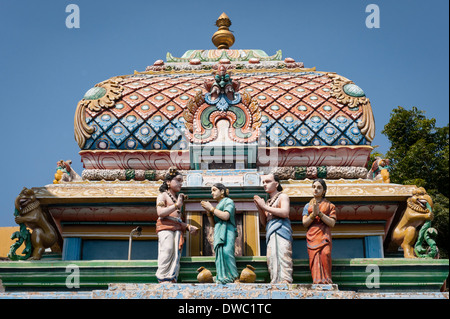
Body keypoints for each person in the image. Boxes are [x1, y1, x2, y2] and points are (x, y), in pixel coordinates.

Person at [155, 168, 199, 283]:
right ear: (168, 182)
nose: (181, 183)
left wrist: (188, 227)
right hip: (165, 227)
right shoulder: (163, 196)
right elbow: (160, 213)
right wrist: (177, 205)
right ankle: (162, 276)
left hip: (176, 228)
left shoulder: (176, 198)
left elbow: (177, 220)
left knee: (175, 253)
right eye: (178, 180)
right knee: (168, 249)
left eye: (182, 181)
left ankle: (171, 276)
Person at [254, 174, 293, 284]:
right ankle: (275, 279)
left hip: (282, 230)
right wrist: (260, 208)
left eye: (268, 181)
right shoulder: (268, 202)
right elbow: (264, 222)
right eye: (263, 183)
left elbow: (285, 212)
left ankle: (285, 279)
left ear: (276, 184)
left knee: (283, 253)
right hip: (271, 230)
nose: (265, 184)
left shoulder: (283, 196)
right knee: (272, 256)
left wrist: (264, 207)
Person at [201, 183, 239, 284]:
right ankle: (222, 276)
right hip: (219, 230)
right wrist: (209, 212)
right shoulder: (218, 205)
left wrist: (212, 209)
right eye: (211, 191)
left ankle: (234, 277)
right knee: (219, 254)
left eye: (214, 190)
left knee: (227, 252)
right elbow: (213, 224)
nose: (212, 193)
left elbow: (226, 216)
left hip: (228, 230)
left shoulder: (228, 201)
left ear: (222, 191)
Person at [302, 178, 336, 284]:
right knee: (314, 258)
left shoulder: (330, 206)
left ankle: (327, 279)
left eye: (319, 187)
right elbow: (304, 223)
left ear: (324, 191)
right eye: (314, 187)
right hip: (312, 236)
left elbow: (332, 223)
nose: (316, 189)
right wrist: (313, 214)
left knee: (325, 254)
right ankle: (317, 280)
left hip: (324, 234)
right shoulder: (307, 206)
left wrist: (320, 214)